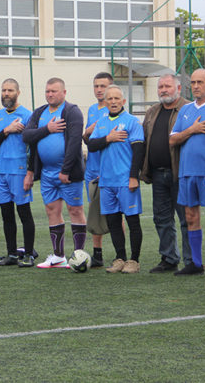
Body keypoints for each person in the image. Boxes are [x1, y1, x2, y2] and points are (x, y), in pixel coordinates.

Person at [23, 77, 87, 269]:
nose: (50, 94)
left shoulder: (72, 111)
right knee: (52, 210)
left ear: (64, 92)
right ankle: (58, 257)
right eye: (47, 91)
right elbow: (27, 136)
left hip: (68, 174)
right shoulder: (39, 112)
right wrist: (47, 129)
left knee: (75, 210)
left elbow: (75, 142)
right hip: (47, 174)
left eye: (54, 91)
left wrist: (66, 170)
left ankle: (78, 256)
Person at [0, 79, 36, 267]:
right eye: (3, 90)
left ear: (18, 92)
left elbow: (34, 146)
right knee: (6, 214)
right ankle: (12, 254)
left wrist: (31, 172)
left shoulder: (27, 115)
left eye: (10, 90)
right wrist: (7, 130)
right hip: (1, 171)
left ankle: (29, 254)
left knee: (24, 212)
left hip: (19, 170)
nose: (6, 93)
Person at [169, 69, 205, 277]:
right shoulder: (185, 110)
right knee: (191, 217)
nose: (195, 86)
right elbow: (172, 140)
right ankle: (196, 263)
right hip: (186, 173)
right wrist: (192, 129)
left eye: (200, 82)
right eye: (192, 82)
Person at [87, 85, 145, 274]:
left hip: (125, 181)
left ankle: (134, 260)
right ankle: (120, 258)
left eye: (116, 98)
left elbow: (138, 150)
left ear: (123, 101)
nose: (113, 102)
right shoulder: (102, 122)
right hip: (107, 182)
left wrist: (133, 177)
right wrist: (108, 138)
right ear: (105, 102)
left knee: (132, 221)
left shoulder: (132, 121)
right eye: (110, 99)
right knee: (113, 222)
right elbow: (92, 145)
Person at [141, 71, 192, 273]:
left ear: (178, 88)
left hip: (181, 173)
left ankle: (191, 261)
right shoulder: (152, 111)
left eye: (167, 86)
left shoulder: (188, 109)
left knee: (186, 219)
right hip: (158, 174)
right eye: (161, 87)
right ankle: (169, 258)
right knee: (162, 219)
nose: (163, 90)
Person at [82, 71, 112, 268]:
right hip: (91, 169)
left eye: (103, 86)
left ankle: (121, 254)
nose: (99, 90)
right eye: (96, 86)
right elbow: (88, 140)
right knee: (94, 212)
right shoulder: (92, 109)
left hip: (108, 170)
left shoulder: (114, 110)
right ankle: (98, 255)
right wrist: (87, 132)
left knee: (114, 213)